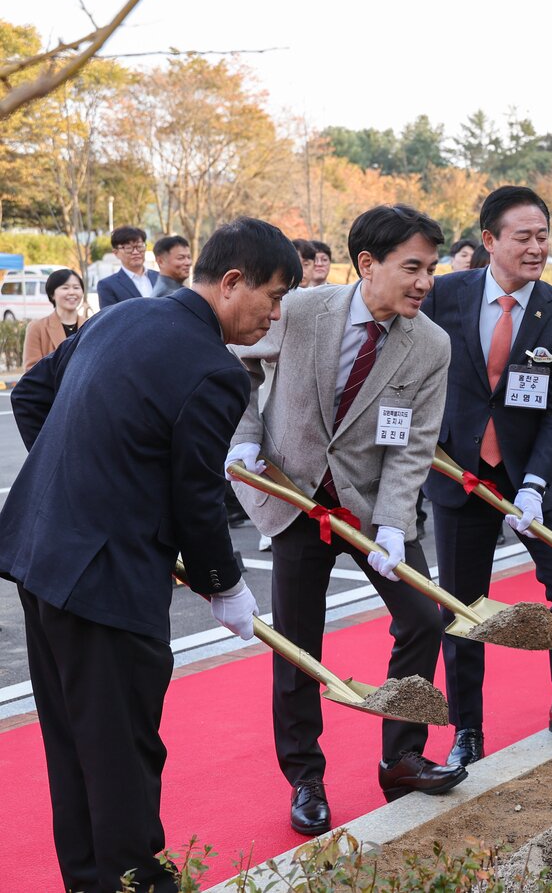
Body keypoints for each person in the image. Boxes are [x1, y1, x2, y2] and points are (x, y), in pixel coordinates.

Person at [0, 217, 297, 893]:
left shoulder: (115, 320)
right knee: (123, 751)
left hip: (40, 558)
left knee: (73, 747)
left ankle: (90, 880)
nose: (274, 315)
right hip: (104, 582)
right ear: (230, 283)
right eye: (272, 297)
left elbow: (34, 395)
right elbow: (196, 496)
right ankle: (135, 882)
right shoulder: (217, 371)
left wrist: (88, 486)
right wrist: (225, 584)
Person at [226, 205, 462, 834]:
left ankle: (402, 755)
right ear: (367, 264)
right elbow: (245, 366)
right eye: (411, 267)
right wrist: (245, 433)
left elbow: (414, 444)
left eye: (431, 269)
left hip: (371, 504)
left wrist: (393, 522)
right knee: (298, 645)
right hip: (293, 495)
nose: (423, 282)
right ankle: (305, 778)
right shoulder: (302, 310)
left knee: (421, 618)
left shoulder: (430, 345)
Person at [421, 185, 552, 767]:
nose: (537, 248)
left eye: (543, 236)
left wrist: (536, 484)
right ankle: (466, 727)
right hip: (458, 473)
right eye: (523, 237)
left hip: (534, 475)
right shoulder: (443, 296)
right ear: (490, 240)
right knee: (463, 605)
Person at [23, 268, 87, 372]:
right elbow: (32, 371)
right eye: (65, 288)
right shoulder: (37, 328)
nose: (71, 292)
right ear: (52, 294)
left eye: (76, 287)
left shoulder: (91, 325)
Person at [97, 225, 157, 307]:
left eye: (139, 246)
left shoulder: (160, 277)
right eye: (128, 248)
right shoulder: (107, 286)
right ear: (115, 253)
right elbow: (110, 318)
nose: (136, 252)